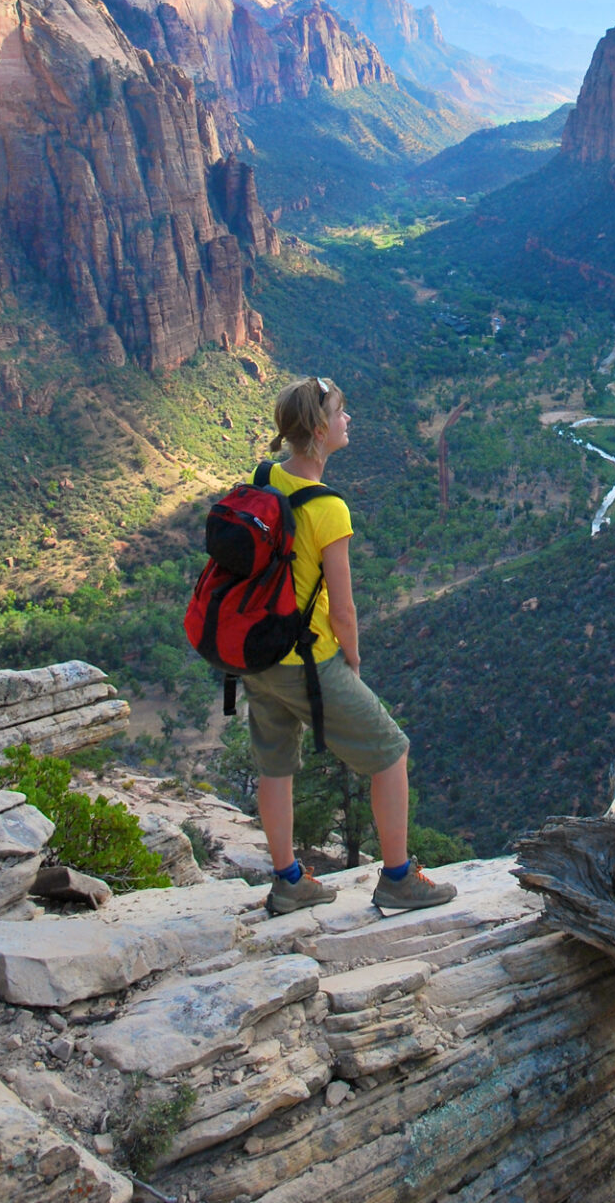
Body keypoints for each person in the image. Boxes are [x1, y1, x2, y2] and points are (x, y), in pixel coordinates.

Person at [242, 375, 457, 918]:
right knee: (391, 752)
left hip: (256, 653)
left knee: (275, 766)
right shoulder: (329, 508)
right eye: (340, 412)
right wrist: (352, 661)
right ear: (319, 430)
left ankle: (288, 882)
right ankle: (398, 878)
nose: (348, 420)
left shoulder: (264, 476)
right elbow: (343, 609)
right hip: (308, 661)